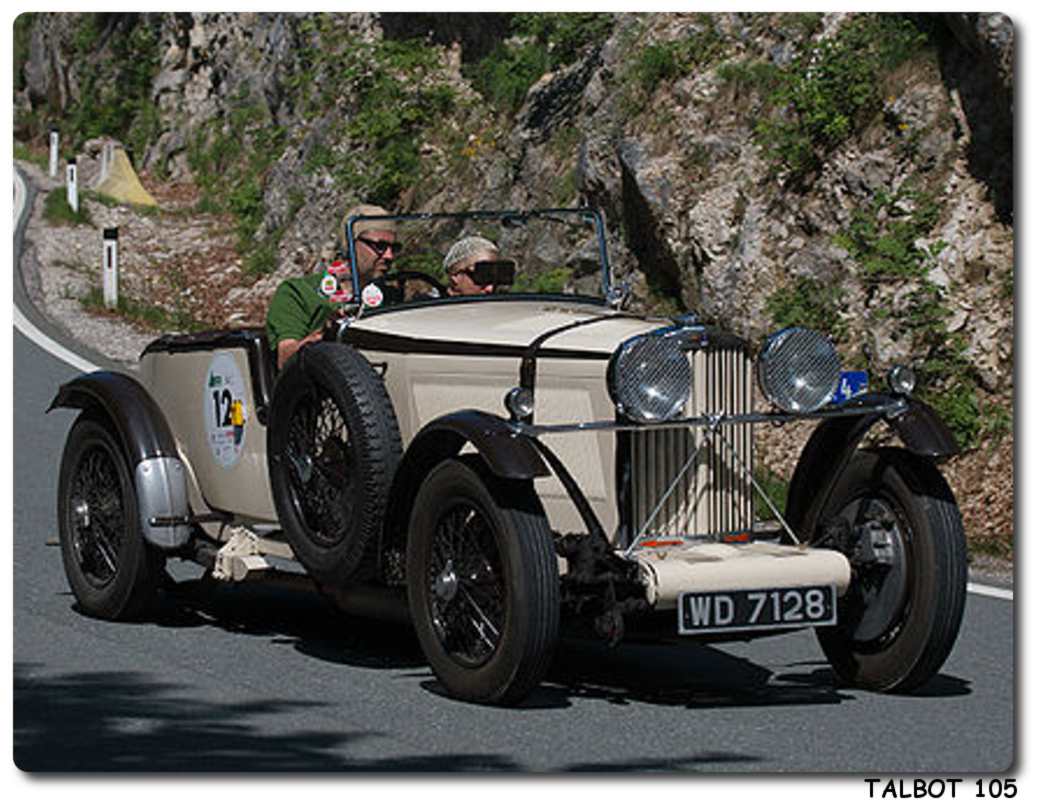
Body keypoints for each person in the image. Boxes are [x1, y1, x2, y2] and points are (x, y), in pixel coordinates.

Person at [266, 204, 397, 368]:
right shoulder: (298, 293)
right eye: (380, 246)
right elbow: (286, 359)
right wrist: (325, 334)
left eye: (394, 248)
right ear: (350, 245)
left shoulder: (394, 297)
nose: (389, 256)